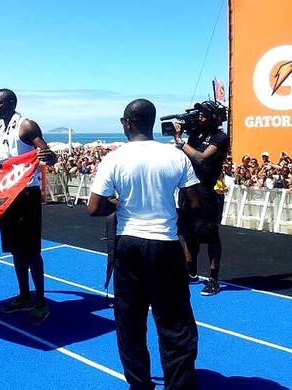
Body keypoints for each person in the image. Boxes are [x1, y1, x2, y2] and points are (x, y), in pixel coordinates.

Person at [88, 99, 200, 390]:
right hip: (165, 244)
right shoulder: (175, 156)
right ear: (151, 124)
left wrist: (118, 203)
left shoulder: (114, 158)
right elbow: (196, 203)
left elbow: (94, 207)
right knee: (174, 322)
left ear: (127, 123)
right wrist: (180, 223)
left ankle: (140, 385)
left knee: (129, 321)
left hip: (129, 245)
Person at [0, 88, 56, 326]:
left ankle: (41, 301)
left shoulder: (25, 126)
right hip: (7, 195)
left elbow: (49, 154)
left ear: (11, 103)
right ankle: (24, 296)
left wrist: (45, 156)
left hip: (26, 195)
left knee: (31, 252)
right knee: (16, 251)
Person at [173, 100, 230, 296]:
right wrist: (182, 136)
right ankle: (191, 273)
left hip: (206, 190)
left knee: (210, 235)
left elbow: (202, 158)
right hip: (188, 190)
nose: (200, 118)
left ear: (213, 118)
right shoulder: (196, 135)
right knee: (188, 233)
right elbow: (183, 157)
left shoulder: (220, 137)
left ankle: (214, 279)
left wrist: (181, 143)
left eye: (204, 116)